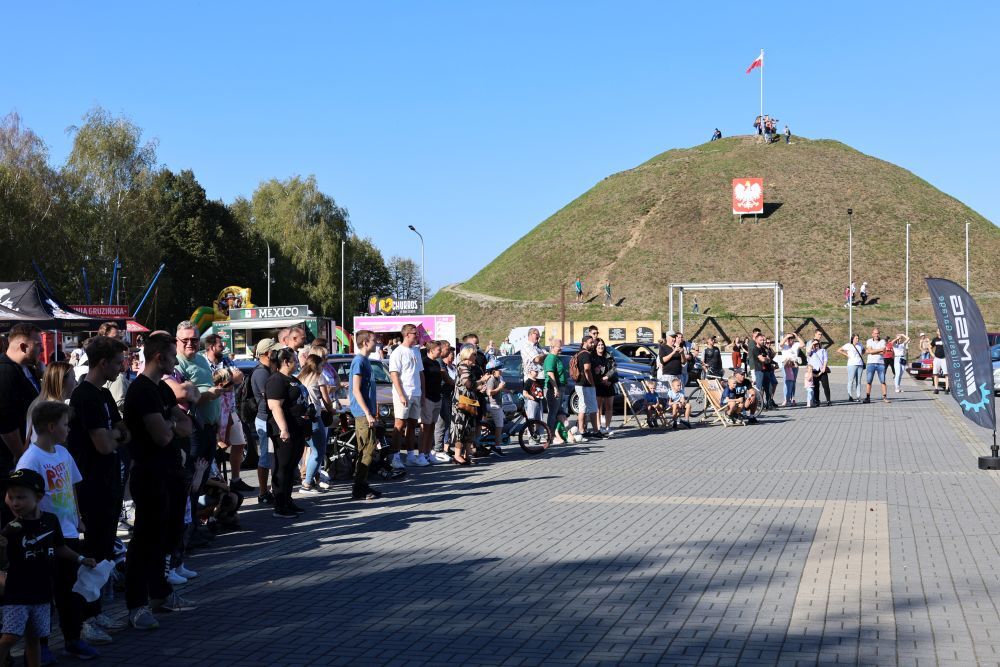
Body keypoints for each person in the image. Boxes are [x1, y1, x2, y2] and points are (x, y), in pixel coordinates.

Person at [16, 402, 100, 660]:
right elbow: (21, 498)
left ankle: (72, 639)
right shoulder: (30, 459)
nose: (69, 429)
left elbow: (71, 486)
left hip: (68, 532)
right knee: (43, 593)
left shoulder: (63, 453)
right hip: (43, 535)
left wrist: (77, 517)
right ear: (51, 427)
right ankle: (40, 644)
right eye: (65, 424)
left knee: (69, 591)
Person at [123, 331, 195, 630]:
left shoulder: (163, 390)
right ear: (158, 357)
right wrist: (170, 425)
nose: (174, 361)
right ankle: (136, 605)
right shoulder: (141, 391)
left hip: (170, 473)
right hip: (149, 473)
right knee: (144, 541)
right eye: (171, 355)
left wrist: (169, 424)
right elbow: (164, 434)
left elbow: (187, 425)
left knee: (165, 538)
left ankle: (160, 594)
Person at [66, 335, 132, 643]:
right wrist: (115, 436)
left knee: (105, 549)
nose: (122, 368)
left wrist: (115, 435)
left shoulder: (104, 395)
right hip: (90, 483)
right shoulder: (86, 396)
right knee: (92, 551)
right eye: (118, 362)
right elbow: (104, 444)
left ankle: (95, 610)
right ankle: (83, 619)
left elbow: (122, 430)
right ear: (102, 362)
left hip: (109, 481)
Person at [0, 469, 96, 667]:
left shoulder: (50, 521)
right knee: (10, 636)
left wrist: (80, 558)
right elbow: (3, 562)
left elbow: (59, 547)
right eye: (11, 497)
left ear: (38, 496)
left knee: (35, 637)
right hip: (17, 591)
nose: (15, 502)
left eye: (21, 497)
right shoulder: (11, 529)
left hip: (43, 590)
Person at [265, 348, 310, 518]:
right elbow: (275, 406)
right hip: (284, 431)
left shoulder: (292, 379)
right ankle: (280, 505)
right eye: (294, 359)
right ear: (285, 361)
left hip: (298, 429)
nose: (297, 362)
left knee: (291, 467)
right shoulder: (276, 380)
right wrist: (283, 428)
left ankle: (288, 500)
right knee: (282, 467)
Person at [0, 324, 42, 474]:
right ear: (23, 346)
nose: (42, 350)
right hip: (10, 463)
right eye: (38, 345)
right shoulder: (5, 372)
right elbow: (5, 423)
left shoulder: (28, 368)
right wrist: (21, 455)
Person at [349, 330, 382, 500]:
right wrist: (367, 413)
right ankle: (358, 488)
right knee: (367, 450)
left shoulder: (366, 361)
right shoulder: (358, 362)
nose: (376, 343)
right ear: (364, 343)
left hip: (367, 412)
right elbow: (356, 389)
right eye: (373, 340)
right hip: (362, 414)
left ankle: (363, 484)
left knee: (368, 449)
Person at [388, 324, 425, 467]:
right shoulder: (398, 352)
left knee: (412, 425)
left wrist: (422, 393)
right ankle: (395, 456)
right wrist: (401, 395)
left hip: (416, 393)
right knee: (400, 424)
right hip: (404, 393)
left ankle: (410, 456)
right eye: (415, 333)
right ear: (407, 334)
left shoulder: (415, 351)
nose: (417, 336)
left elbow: (420, 373)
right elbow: (394, 375)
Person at [296, 354, 333, 494]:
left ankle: (308, 478)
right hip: (314, 417)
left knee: (308, 450)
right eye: (322, 365)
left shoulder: (299, 377)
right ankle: (307, 483)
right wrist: (332, 410)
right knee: (318, 451)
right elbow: (326, 399)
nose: (323, 367)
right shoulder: (319, 377)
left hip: (301, 418)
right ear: (317, 365)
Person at [250, 339, 279, 505]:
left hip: (269, 419)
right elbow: (269, 396)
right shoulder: (261, 372)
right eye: (274, 351)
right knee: (266, 457)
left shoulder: (268, 369)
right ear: (267, 353)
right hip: (265, 420)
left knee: (271, 457)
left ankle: (269, 490)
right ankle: (262, 492)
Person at [24, 361, 77, 445]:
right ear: (62, 381)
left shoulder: (38, 402)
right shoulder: (54, 410)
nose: (76, 383)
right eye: (73, 378)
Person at [451, 345, 483, 465]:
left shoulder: (469, 367)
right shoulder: (463, 366)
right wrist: (482, 381)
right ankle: (457, 455)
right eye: (474, 354)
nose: (476, 357)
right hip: (462, 402)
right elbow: (468, 384)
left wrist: (479, 387)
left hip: (470, 401)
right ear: (469, 355)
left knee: (470, 428)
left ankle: (466, 455)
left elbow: (471, 386)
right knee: (461, 427)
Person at [419, 341, 448, 464]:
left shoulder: (437, 363)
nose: (440, 352)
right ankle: (421, 454)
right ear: (431, 350)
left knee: (432, 426)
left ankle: (428, 452)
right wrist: (423, 396)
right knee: (425, 427)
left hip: (437, 397)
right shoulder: (424, 362)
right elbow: (422, 380)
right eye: (438, 350)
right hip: (428, 398)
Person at [543, 339, 573, 444]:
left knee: (558, 412)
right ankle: (550, 436)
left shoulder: (556, 358)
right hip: (553, 389)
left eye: (561, 347)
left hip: (560, 387)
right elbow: (550, 374)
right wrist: (555, 388)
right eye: (558, 347)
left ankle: (560, 434)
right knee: (553, 413)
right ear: (552, 347)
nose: (561, 349)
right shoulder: (551, 358)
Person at [573, 335, 601, 439]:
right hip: (586, 385)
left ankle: (581, 430)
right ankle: (595, 431)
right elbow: (587, 369)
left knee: (582, 408)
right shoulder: (585, 354)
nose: (593, 344)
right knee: (593, 408)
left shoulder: (579, 353)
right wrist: (591, 382)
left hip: (579, 384)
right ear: (584, 342)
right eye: (591, 342)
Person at [434, 343, 456, 456]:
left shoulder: (441, 362)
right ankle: (438, 449)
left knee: (446, 423)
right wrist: (458, 384)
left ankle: (442, 448)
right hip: (441, 395)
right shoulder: (439, 361)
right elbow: (447, 379)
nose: (449, 352)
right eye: (447, 349)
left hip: (446, 396)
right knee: (440, 424)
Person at [592, 338, 617, 435]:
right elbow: (593, 372)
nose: (601, 346)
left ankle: (608, 426)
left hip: (609, 384)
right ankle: (599, 427)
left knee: (609, 406)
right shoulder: (593, 357)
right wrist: (602, 380)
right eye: (598, 345)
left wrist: (608, 377)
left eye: (602, 344)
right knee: (598, 407)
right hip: (598, 385)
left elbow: (614, 368)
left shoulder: (608, 356)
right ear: (595, 347)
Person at [483, 359, 506, 449]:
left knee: (501, 422)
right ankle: (497, 447)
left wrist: (511, 391)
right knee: (499, 426)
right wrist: (500, 388)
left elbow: (501, 388)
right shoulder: (491, 380)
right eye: (499, 370)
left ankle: (494, 440)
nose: (501, 371)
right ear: (493, 372)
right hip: (493, 405)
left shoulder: (498, 378)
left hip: (498, 405)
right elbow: (489, 393)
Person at [863, 327, 889, 404]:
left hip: (881, 363)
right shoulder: (869, 341)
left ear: (879, 334)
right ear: (872, 334)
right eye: (875, 333)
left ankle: (884, 397)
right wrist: (879, 350)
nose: (876, 335)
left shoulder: (883, 341)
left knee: (883, 381)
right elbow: (871, 351)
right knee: (869, 381)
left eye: (877, 333)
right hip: (870, 363)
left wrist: (872, 351)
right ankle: (867, 397)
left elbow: (883, 352)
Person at [838, 334, 865, 401]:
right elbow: (839, 350)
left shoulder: (860, 345)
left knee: (858, 381)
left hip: (860, 364)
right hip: (851, 364)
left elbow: (863, 350)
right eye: (856, 338)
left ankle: (858, 396)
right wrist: (847, 355)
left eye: (858, 338)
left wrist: (861, 354)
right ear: (852, 339)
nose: (857, 340)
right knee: (851, 380)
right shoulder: (848, 345)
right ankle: (850, 396)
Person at [779, 333, 804, 406]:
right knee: (786, 382)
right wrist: (786, 336)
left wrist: (796, 336)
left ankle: (792, 398)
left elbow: (802, 345)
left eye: (792, 338)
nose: (790, 340)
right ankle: (786, 399)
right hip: (786, 365)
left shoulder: (795, 344)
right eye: (789, 339)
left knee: (793, 382)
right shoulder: (784, 345)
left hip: (794, 364)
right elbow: (780, 344)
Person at [808, 338, 831, 406]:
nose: (816, 345)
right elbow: (808, 352)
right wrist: (812, 344)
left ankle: (828, 400)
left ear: (819, 344)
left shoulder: (823, 350)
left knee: (826, 386)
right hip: (814, 370)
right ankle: (817, 400)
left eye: (817, 344)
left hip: (822, 370)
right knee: (816, 387)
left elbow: (825, 360)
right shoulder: (811, 351)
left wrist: (824, 367)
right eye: (815, 344)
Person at [931, 329, 948, 394]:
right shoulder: (935, 339)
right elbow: (930, 346)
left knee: (946, 374)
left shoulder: (946, 339)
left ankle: (946, 389)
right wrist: (932, 353)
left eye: (940, 330)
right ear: (937, 332)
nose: (939, 332)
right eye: (938, 331)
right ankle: (936, 388)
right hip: (937, 358)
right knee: (935, 374)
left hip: (944, 358)